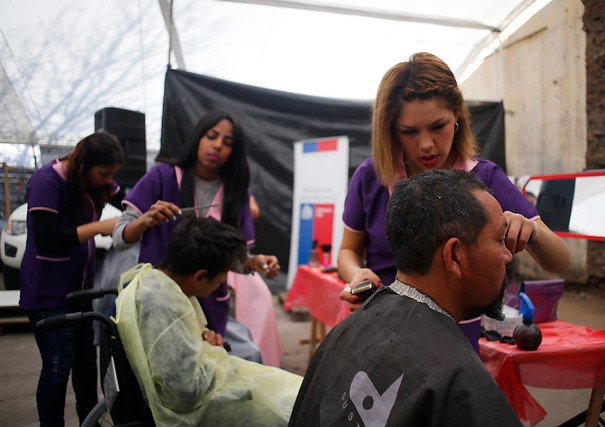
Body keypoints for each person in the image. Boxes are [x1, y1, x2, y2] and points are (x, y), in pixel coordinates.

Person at [337, 52, 571, 353]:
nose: (426, 144)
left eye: (438, 126)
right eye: (409, 132)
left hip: (455, 345)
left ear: (458, 114)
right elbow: (347, 250)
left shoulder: (485, 177)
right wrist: (356, 274)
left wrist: (532, 232)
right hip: (379, 332)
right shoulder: (372, 177)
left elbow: (560, 260)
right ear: (391, 128)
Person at [289, 170, 521, 426]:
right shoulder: (463, 383)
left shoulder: (344, 332)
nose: (508, 256)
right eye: (500, 240)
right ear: (454, 256)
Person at [112, 109, 283, 366]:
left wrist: (253, 263)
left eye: (228, 143)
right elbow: (119, 237)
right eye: (212, 136)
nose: (217, 145)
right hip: (159, 302)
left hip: (210, 308)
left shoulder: (236, 191)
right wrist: (144, 219)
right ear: (197, 138)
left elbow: (236, 259)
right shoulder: (163, 177)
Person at [116, 216, 302, 426]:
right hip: (195, 410)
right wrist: (212, 354)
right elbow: (185, 393)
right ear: (200, 276)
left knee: (295, 390)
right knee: (292, 407)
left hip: (206, 382)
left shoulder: (157, 282)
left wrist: (206, 348)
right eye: (223, 274)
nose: (224, 280)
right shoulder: (164, 304)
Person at [19, 131, 124, 426]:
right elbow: (47, 239)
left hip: (80, 290)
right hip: (47, 292)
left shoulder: (94, 179)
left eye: (112, 174)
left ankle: (88, 421)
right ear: (84, 165)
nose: (108, 181)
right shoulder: (46, 181)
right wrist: (98, 226)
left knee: (87, 368)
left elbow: (127, 198)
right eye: (104, 174)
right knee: (57, 366)